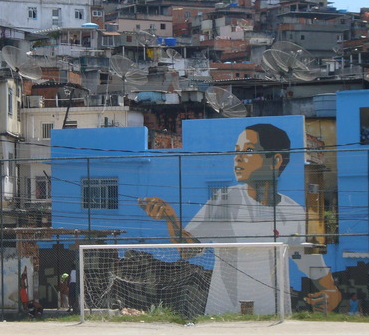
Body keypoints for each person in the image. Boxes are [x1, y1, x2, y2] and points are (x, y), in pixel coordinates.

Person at [139, 123, 341, 315]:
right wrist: (171, 219)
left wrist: (331, 291)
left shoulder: (292, 211)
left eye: (249, 150)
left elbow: (306, 258)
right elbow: (189, 250)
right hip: (224, 311)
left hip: (272, 312)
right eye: (237, 151)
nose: (238, 158)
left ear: (276, 160)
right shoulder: (224, 200)